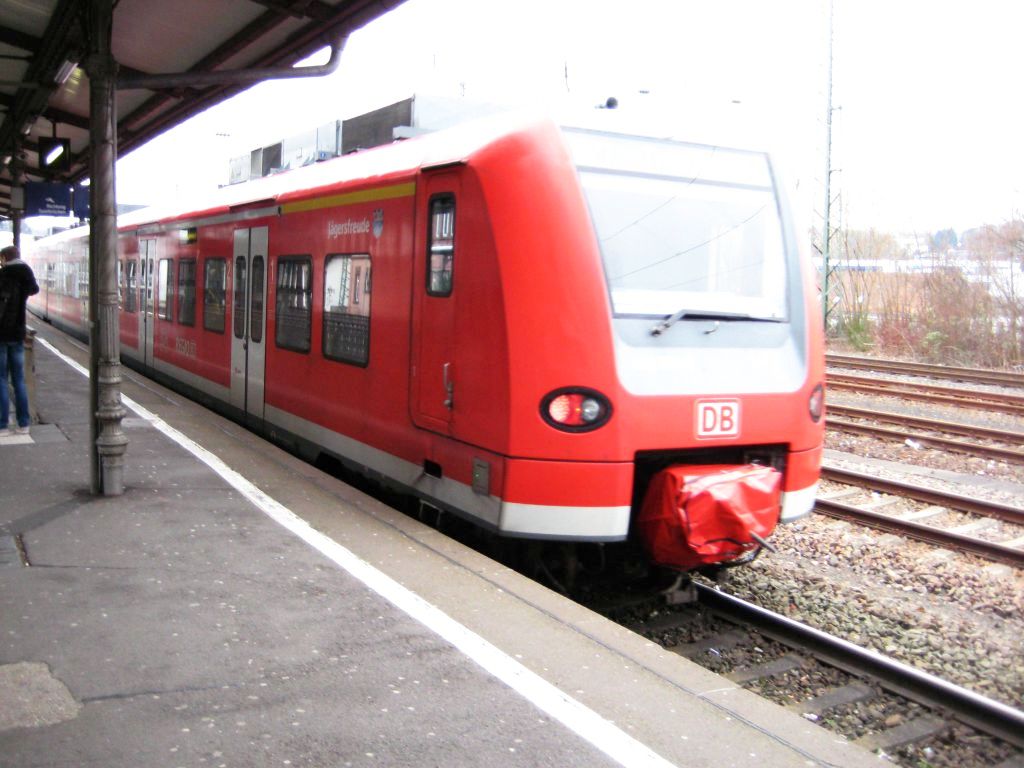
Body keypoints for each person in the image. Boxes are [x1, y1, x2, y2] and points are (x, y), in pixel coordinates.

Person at [0, 245, 40, 436]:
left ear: (4, 258)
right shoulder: (25, 274)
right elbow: (34, 289)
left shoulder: (2, 275)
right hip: (18, 333)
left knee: (1, 379)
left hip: (1, 335)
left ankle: (2, 426)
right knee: (19, 380)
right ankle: (23, 424)